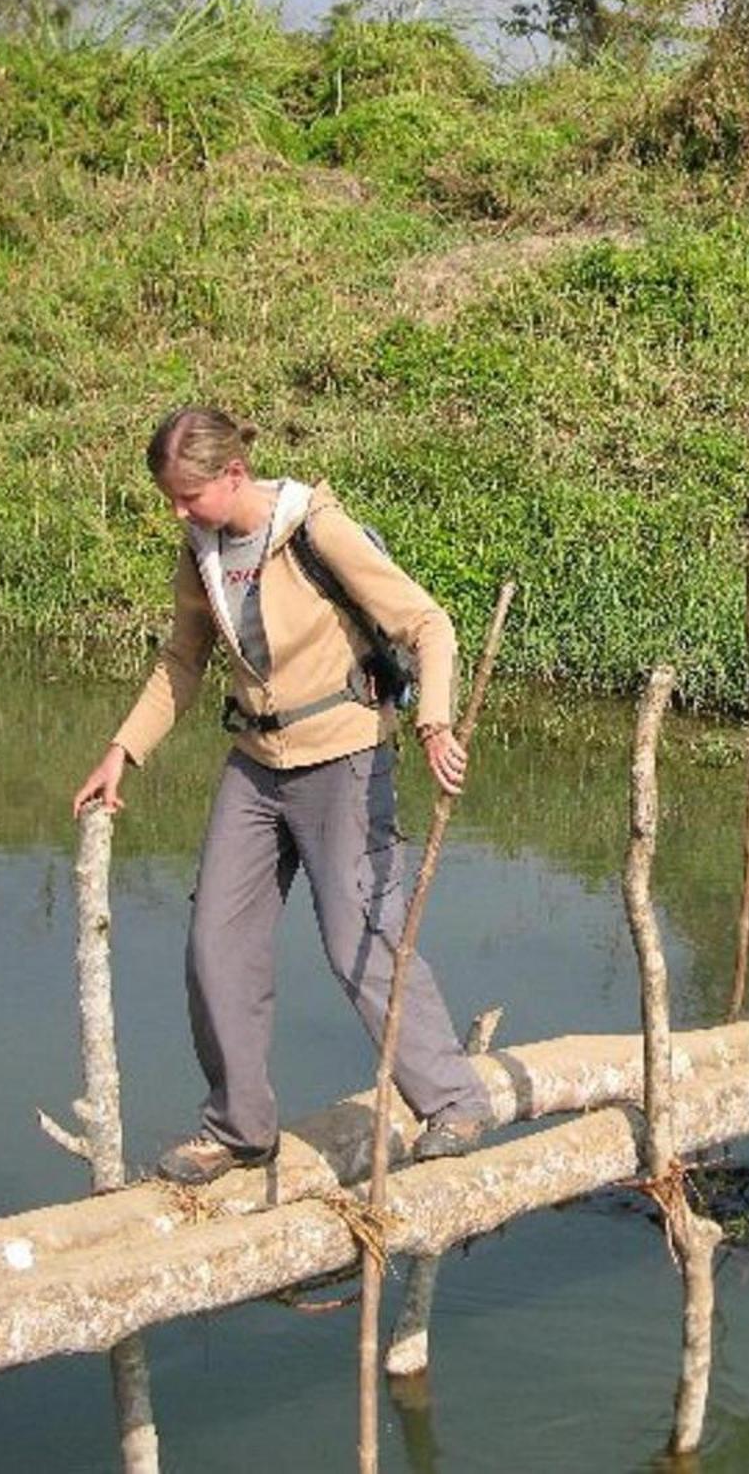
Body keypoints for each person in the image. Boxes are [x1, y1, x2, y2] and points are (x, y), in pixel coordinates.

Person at [71, 407, 492, 1185]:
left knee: (358, 939)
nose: (177, 509)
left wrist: (434, 724)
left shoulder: (313, 530)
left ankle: (453, 1101)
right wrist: (121, 751)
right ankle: (239, 1128)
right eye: (169, 496)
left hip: (344, 757)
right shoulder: (198, 550)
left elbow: (429, 623)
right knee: (214, 943)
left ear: (234, 475)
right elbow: (183, 660)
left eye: (188, 493)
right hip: (257, 762)